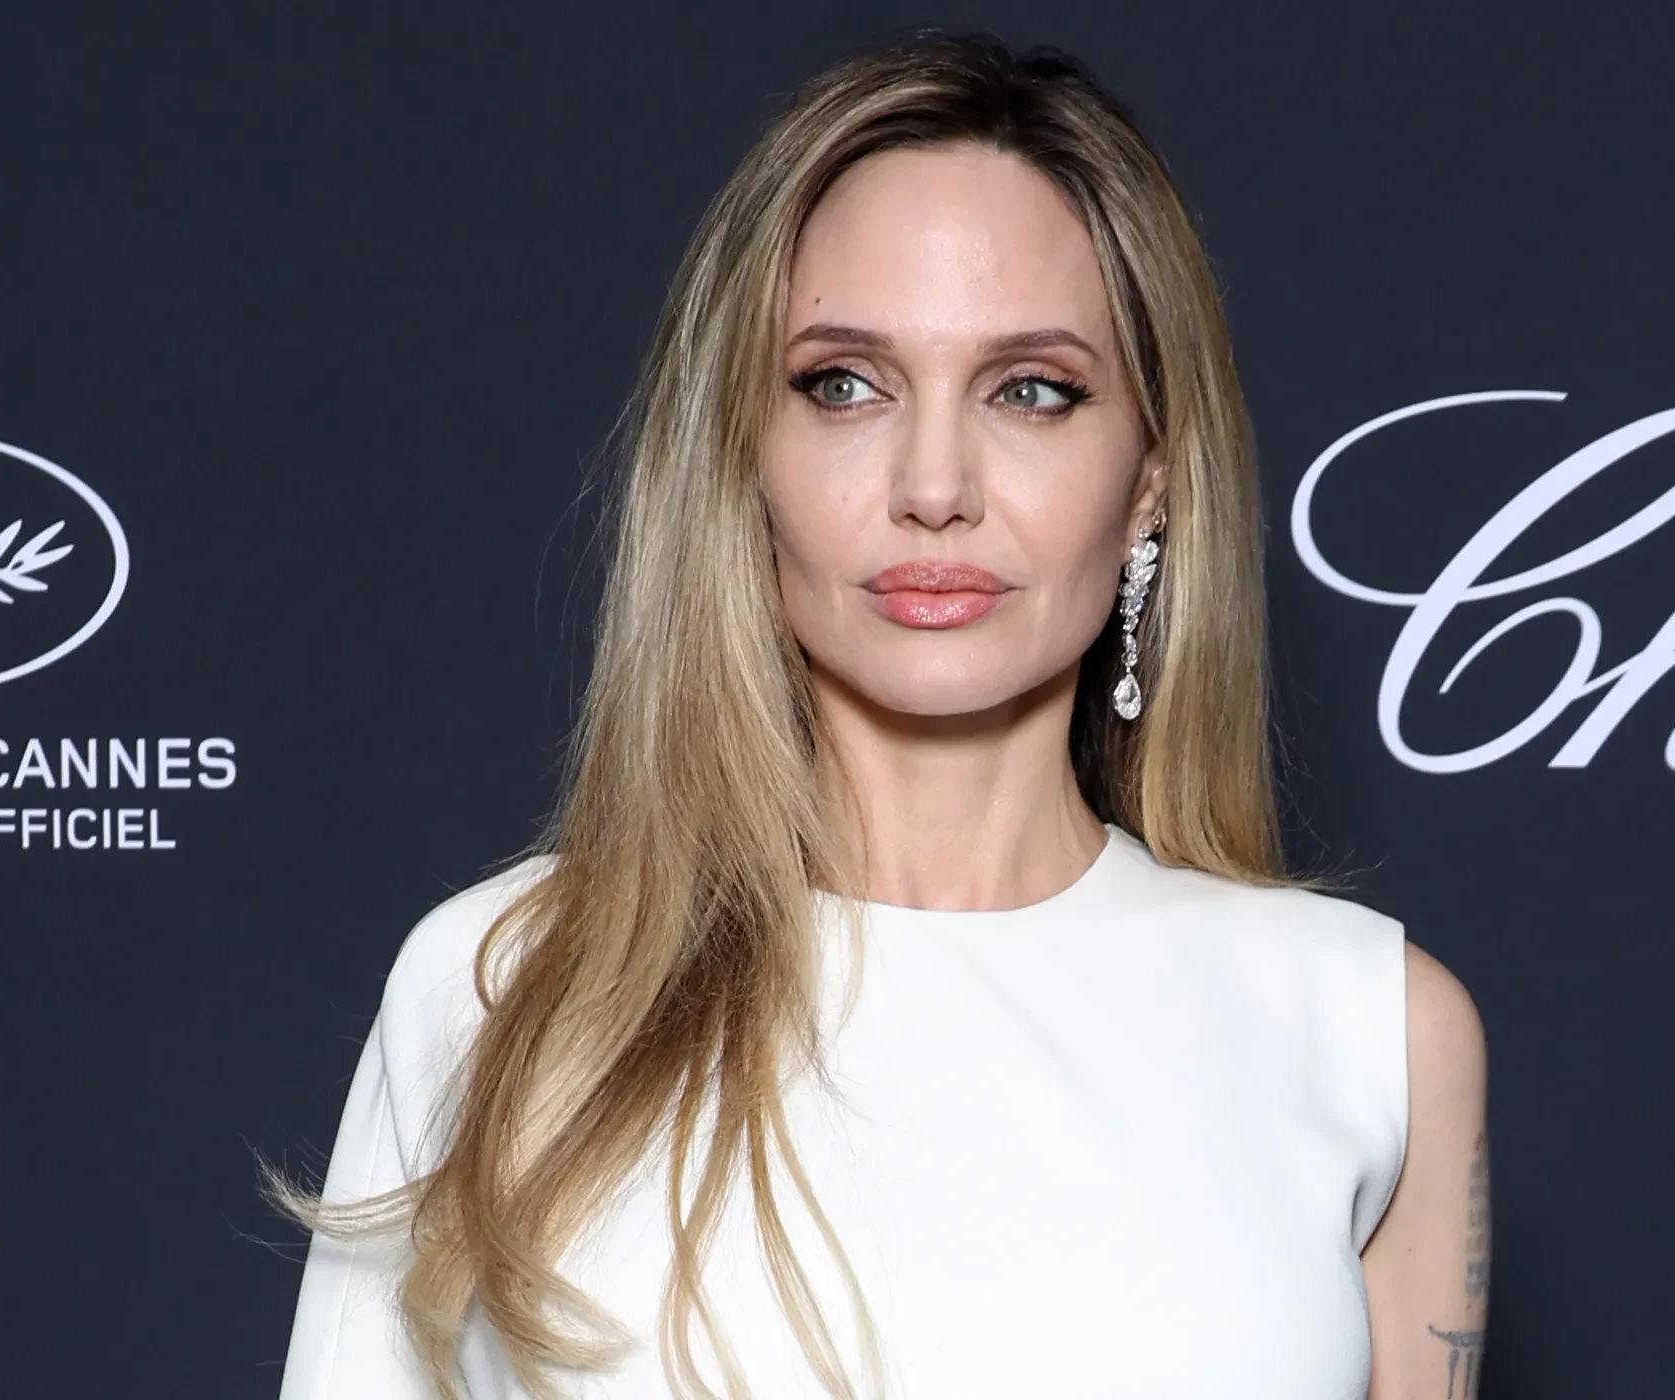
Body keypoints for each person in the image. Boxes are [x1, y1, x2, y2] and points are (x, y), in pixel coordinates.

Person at [270, 27, 1489, 1400]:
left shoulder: (1368, 1029)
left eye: (1032, 391)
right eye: (843, 385)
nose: (933, 486)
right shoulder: (500, 988)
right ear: (743, 452)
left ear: (1149, 476)